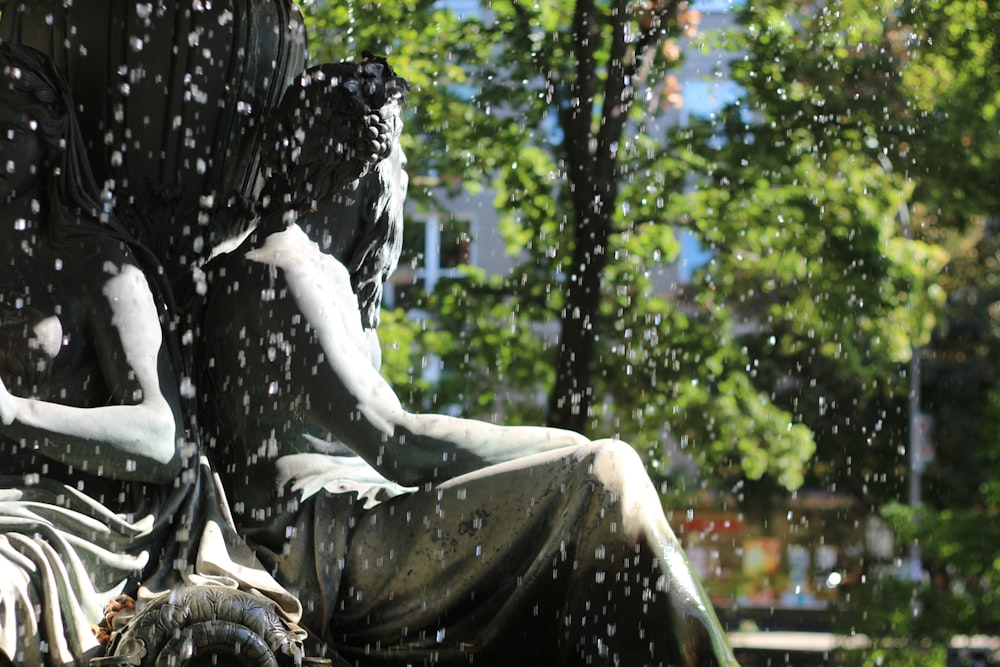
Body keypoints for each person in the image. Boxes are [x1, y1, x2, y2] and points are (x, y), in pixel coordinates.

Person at [199, 57, 738, 666]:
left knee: (601, 496)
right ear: (364, 166)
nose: (401, 186)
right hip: (329, 557)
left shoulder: (308, 273)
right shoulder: (285, 270)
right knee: (605, 477)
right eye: (399, 162)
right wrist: (562, 447)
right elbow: (397, 442)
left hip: (350, 533)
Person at [0, 42, 189, 666]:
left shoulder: (99, 270)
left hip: (57, 516)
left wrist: (16, 414)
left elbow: (162, 440)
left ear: (45, 136)